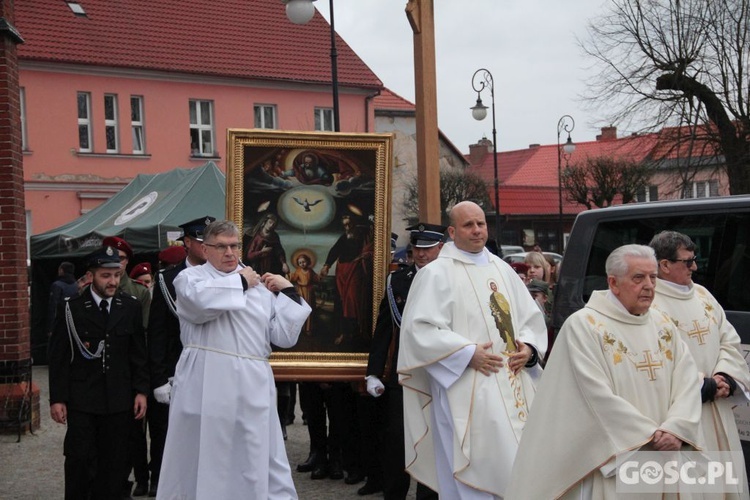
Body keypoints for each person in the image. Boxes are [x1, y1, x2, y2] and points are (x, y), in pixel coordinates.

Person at [506, 244, 703, 499]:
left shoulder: (662, 323)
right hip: (620, 458)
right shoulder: (584, 326)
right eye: (638, 278)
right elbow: (590, 396)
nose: (649, 285)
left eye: (653, 278)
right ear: (613, 282)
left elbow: (687, 378)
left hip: (667, 452)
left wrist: (677, 427)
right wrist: (649, 435)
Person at [397, 201, 547, 498]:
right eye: (468, 225)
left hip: (512, 381)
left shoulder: (502, 269)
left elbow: (530, 317)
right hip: (464, 385)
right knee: (473, 467)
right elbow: (419, 330)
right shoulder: (436, 273)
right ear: (452, 232)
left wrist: (529, 348)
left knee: (520, 463)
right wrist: (466, 353)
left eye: (481, 223)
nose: (477, 230)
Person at [156, 220, 311, 499]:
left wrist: (288, 292)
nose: (229, 252)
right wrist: (240, 282)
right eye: (221, 247)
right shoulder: (191, 278)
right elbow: (200, 305)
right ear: (205, 249)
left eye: (234, 246)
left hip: (253, 382)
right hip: (208, 378)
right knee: (208, 452)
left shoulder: (258, 286)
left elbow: (283, 337)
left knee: (254, 451)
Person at [649, 230, 750, 496]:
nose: (694, 266)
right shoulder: (650, 303)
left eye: (695, 259)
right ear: (665, 265)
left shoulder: (703, 295)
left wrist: (726, 377)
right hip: (679, 415)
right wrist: (701, 386)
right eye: (687, 261)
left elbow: (729, 339)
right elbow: (653, 357)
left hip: (716, 410)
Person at [48, 246, 148, 500]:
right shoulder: (73, 308)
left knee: (115, 464)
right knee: (79, 461)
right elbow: (59, 356)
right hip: (83, 397)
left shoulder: (130, 306)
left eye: (115, 275)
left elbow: (137, 353)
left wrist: (141, 391)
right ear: (91, 276)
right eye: (106, 275)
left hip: (119, 398)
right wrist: (57, 398)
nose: (112, 281)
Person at [366, 222, 445, 499]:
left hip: (440, 372)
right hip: (403, 373)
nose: (421, 254)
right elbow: (385, 327)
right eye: (416, 248)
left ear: (441, 248)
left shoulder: (450, 279)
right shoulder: (398, 280)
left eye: (427, 248)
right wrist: (374, 372)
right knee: (397, 441)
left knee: (433, 441)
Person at [147, 215, 214, 497]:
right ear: (187, 243)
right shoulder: (167, 279)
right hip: (177, 370)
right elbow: (158, 332)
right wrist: (160, 378)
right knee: (167, 434)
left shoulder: (224, 276)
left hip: (211, 369)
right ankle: (161, 483)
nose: (209, 248)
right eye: (203, 242)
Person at [102, 235, 152, 497]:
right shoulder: (91, 289)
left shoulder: (138, 292)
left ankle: (141, 477)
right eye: (111, 259)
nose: (116, 264)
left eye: (120, 259)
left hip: (131, 369)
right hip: (104, 372)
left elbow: (142, 335)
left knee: (135, 432)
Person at [320, 214, 371, 345]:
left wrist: (362, 257)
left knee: (352, 300)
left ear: (354, 224)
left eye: (349, 224)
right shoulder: (344, 237)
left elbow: (370, 250)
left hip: (355, 271)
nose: (347, 228)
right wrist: (326, 266)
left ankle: (355, 332)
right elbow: (335, 250)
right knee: (342, 302)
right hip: (342, 271)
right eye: (345, 225)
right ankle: (343, 332)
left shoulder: (363, 236)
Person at [289, 252, 319, 335]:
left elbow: (316, 278)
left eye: (304, 262)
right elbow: (293, 278)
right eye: (300, 262)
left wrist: (320, 276)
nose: (302, 264)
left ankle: (308, 328)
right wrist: (289, 275)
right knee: (301, 308)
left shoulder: (310, 271)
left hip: (309, 291)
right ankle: (300, 328)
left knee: (308, 308)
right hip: (301, 291)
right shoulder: (298, 271)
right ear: (298, 264)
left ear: (308, 261)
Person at [47, 261, 79, 335]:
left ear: (61, 270)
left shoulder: (57, 285)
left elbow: (53, 306)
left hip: (60, 322)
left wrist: (51, 327)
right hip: (74, 321)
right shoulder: (76, 285)